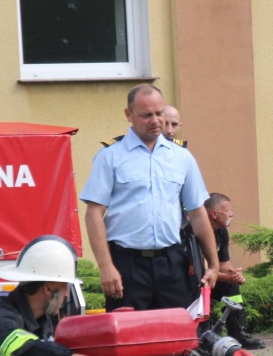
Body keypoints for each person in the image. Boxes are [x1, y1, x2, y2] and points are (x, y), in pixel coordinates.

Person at [81, 84, 218, 313]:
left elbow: (197, 212)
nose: (156, 121)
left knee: (178, 340)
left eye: (159, 113)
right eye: (146, 115)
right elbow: (94, 213)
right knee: (130, 341)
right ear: (129, 115)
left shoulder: (181, 157)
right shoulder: (110, 156)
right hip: (127, 265)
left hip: (172, 263)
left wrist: (213, 263)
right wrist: (105, 266)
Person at [203, 192, 265, 350]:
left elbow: (224, 264)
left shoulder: (221, 231)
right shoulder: (198, 231)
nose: (232, 214)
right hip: (193, 280)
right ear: (214, 214)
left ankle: (238, 335)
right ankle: (202, 333)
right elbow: (196, 271)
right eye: (228, 210)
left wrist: (234, 274)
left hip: (211, 277)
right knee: (204, 286)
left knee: (232, 287)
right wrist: (225, 277)